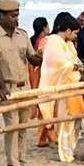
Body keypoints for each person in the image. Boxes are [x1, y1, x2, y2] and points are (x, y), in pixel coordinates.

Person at [0, 0, 40, 166]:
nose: (17, 19)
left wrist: (42, 57)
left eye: (17, 15)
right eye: (13, 16)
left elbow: (32, 58)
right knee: (12, 126)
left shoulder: (22, 35)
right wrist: (1, 88)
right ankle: (13, 165)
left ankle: (23, 163)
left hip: (25, 86)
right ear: (2, 15)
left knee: (23, 126)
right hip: (8, 87)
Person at [37, 12, 84, 163]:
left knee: (76, 121)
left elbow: (74, 60)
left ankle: (71, 149)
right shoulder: (53, 42)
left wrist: (79, 68)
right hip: (64, 87)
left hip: (75, 87)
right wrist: (76, 67)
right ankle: (65, 153)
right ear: (68, 30)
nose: (76, 36)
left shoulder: (68, 43)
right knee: (65, 121)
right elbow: (58, 64)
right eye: (75, 32)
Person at [28, 17, 55, 148]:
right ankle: (43, 138)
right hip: (41, 75)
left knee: (43, 107)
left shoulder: (32, 40)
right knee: (45, 107)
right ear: (44, 28)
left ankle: (45, 137)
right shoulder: (42, 42)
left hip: (34, 75)